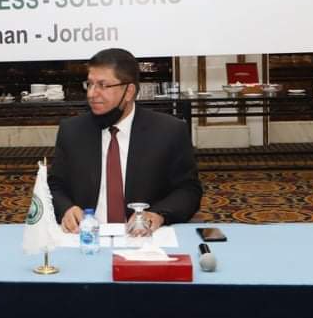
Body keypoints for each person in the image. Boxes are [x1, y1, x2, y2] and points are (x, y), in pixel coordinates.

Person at [48, 48, 202, 233]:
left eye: (103, 85)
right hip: (85, 236)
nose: (91, 94)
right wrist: (66, 208)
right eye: (89, 84)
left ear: (129, 91)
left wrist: (158, 214)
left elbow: (188, 190)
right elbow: (54, 186)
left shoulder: (169, 131)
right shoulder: (72, 131)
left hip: (144, 238)